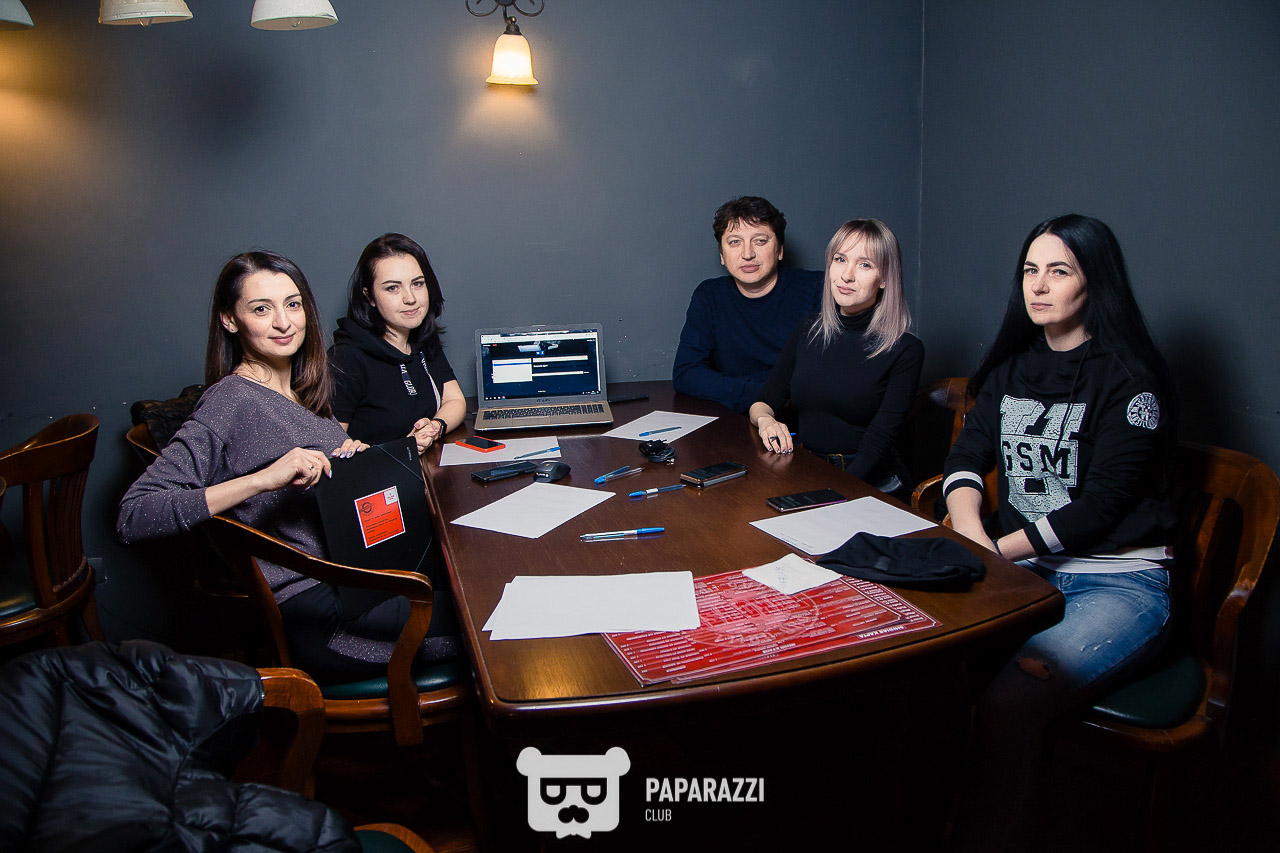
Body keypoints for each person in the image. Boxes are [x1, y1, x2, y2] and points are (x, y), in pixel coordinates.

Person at [943, 214, 1177, 850]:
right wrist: (971, 531)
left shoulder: (1131, 380)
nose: (1038, 285)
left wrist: (993, 552)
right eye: (1030, 270)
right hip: (1022, 572)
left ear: (1093, 282)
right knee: (927, 671)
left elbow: (1099, 508)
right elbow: (964, 460)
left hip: (1119, 583)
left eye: (1059, 271)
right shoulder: (1011, 369)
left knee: (1009, 706)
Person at [118, 250, 458, 684]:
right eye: (262, 309)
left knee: (473, 587)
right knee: (481, 616)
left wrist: (351, 462)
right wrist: (262, 479)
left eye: (292, 304)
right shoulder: (231, 399)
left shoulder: (303, 389)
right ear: (230, 320)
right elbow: (135, 514)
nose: (284, 322)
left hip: (360, 585)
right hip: (326, 615)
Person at [748, 219, 923, 500]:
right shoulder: (808, 329)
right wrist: (766, 421)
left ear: (885, 279)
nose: (847, 275)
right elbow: (763, 401)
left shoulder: (906, 349)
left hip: (871, 483)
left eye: (864, 265)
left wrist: (829, 495)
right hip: (809, 469)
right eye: (840, 260)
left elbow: (876, 445)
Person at [672, 196, 823, 413]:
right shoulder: (710, 295)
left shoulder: (817, 288)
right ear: (722, 255)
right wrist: (764, 396)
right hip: (736, 418)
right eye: (735, 242)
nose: (747, 254)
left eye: (760, 241)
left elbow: (835, 376)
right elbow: (686, 373)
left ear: (779, 250)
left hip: (803, 419)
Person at [329, 233, 466, 453]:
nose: (410, 298)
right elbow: (330, 451)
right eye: (393, 288)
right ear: (369, 297)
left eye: (417, 284)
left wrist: (434, 428)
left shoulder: (421, 338)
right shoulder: (345, 358)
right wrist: (402, 450)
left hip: (425, 468)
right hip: (378, 474)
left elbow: (455, 400)